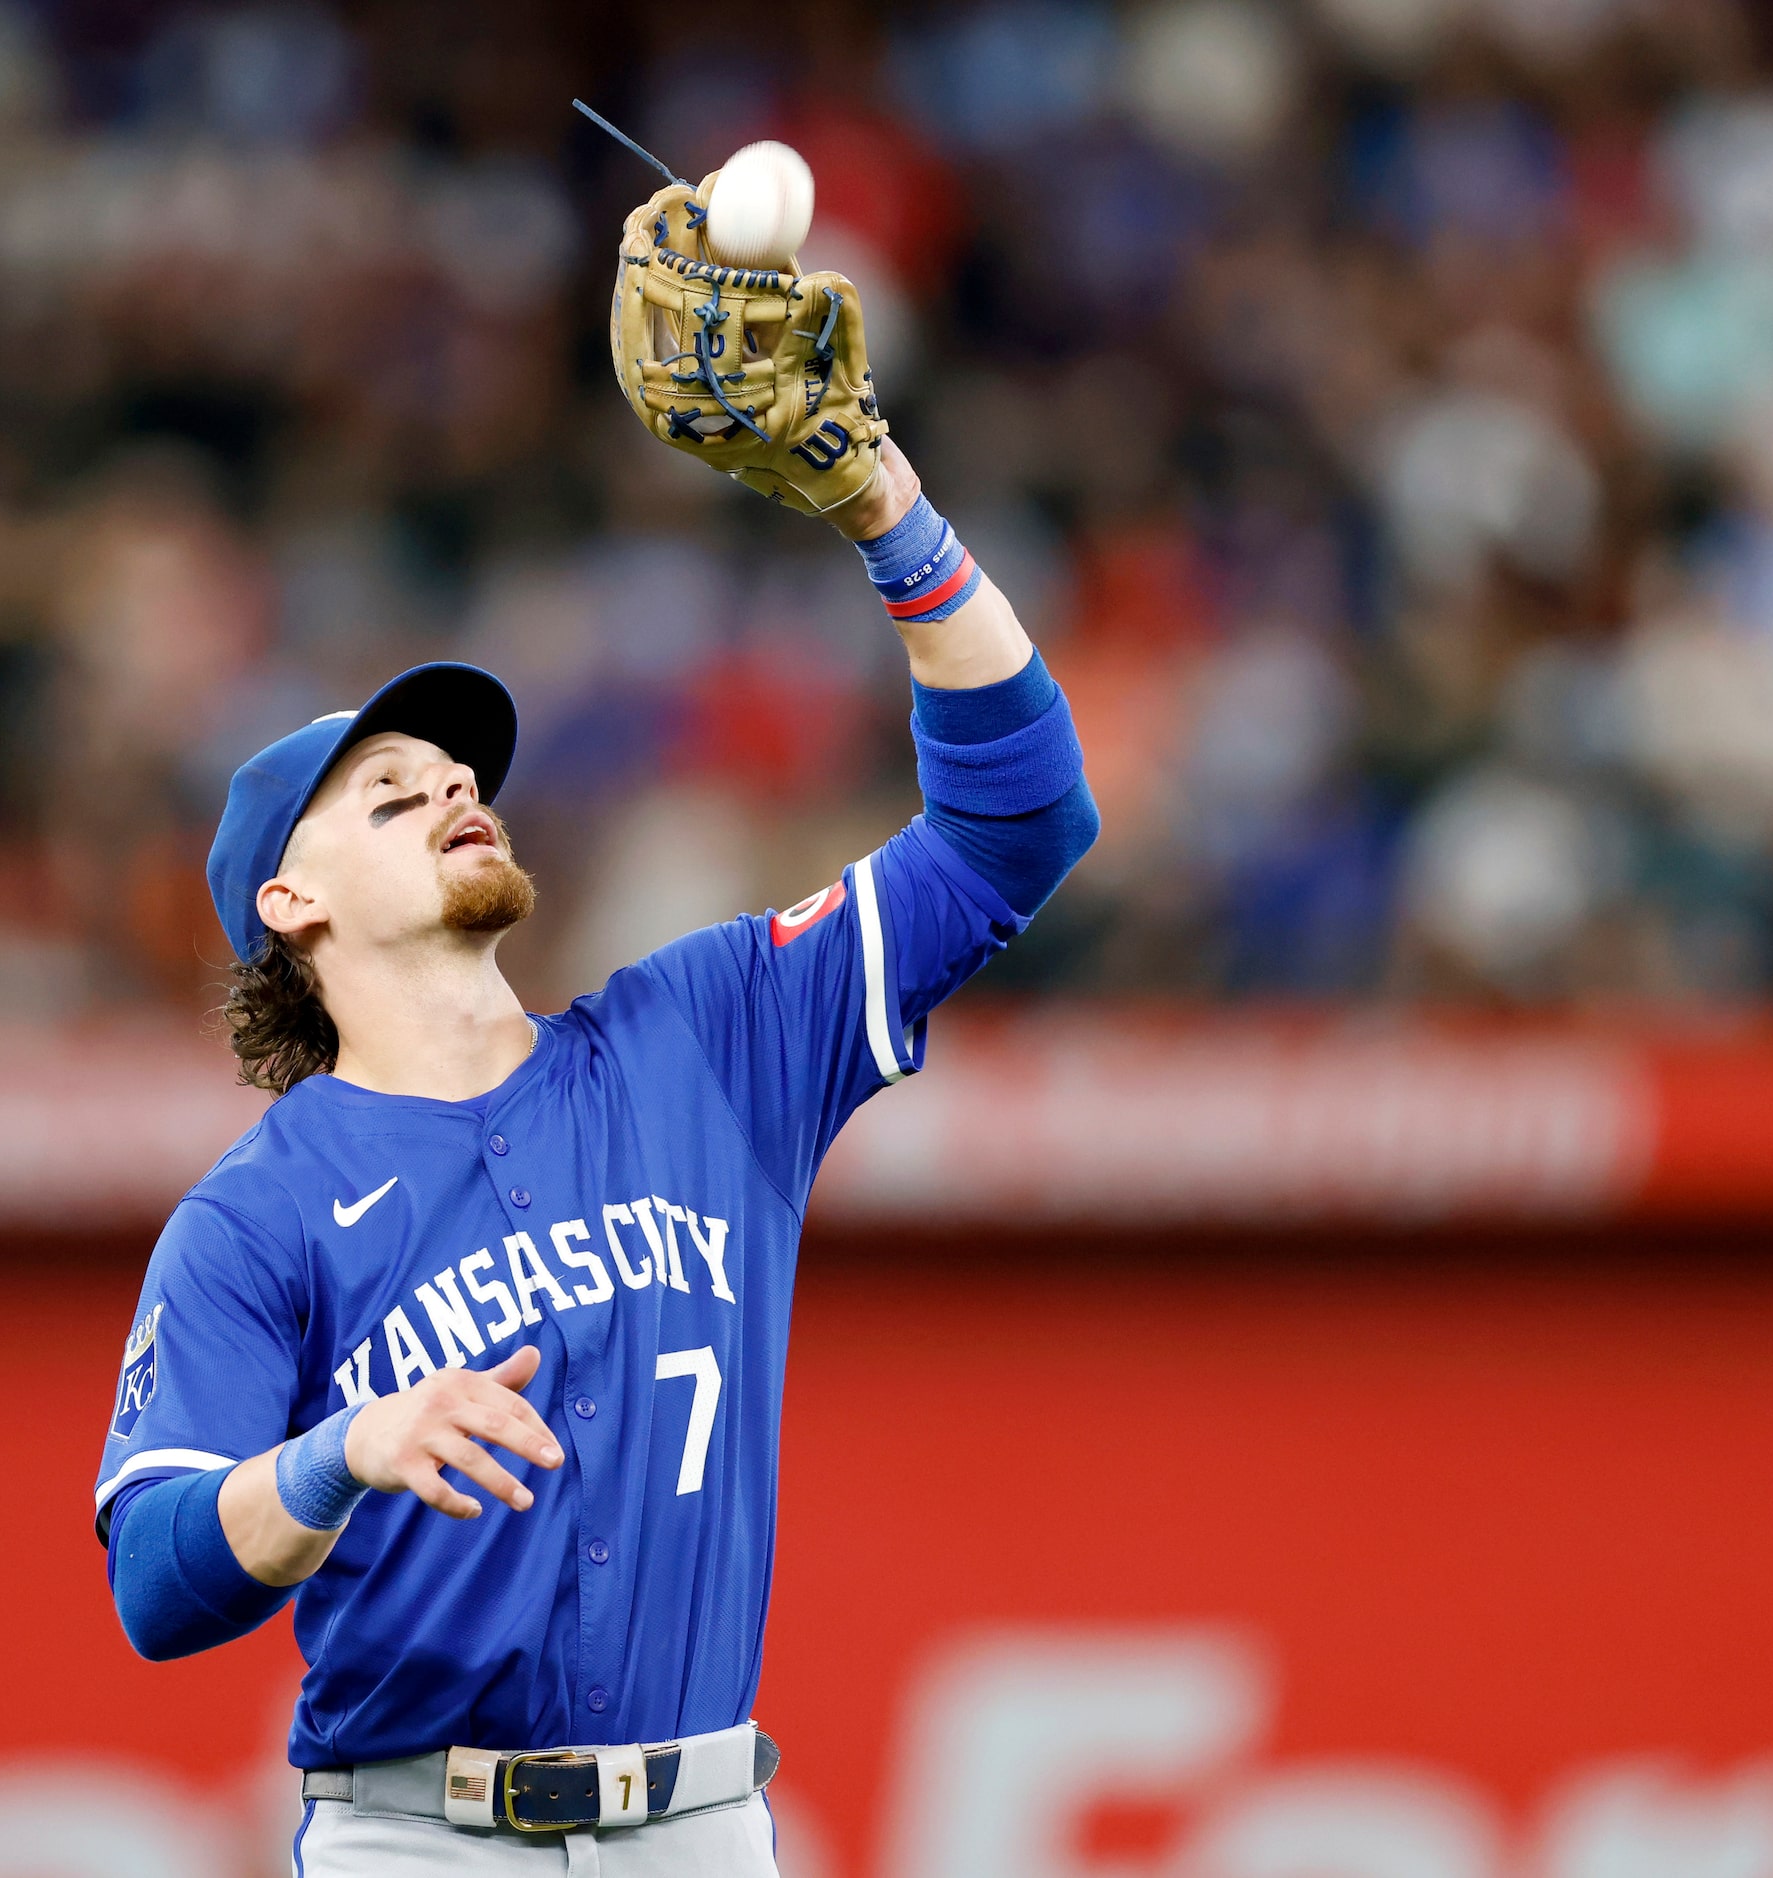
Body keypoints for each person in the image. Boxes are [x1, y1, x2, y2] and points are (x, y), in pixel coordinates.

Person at [92, 429, 1096, 1875]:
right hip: (419, 1838)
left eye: (456, 773)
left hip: (701, 1821)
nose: (449, 785)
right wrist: (340, 1453)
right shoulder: (256, 1213)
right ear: (290, 895)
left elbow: (1020, 823)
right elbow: (156, 1580)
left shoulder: (702, 1035)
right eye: (390, 788)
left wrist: (889, 509)